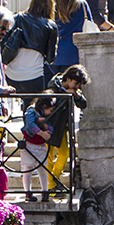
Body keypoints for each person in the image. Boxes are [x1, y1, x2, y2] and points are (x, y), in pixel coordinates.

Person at [2, 0, 58, 104]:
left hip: (12, 76)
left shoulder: (18, 18)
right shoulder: (50, 26)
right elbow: (50, 59)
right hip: (34, 77)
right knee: (33, 109)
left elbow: (3, 41)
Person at [45, 64, 89, 195]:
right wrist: (64, 95)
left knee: (64, 155)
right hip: (49, 126)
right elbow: (52, 107)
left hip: (62, 127)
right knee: (48, 158)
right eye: (76, 83)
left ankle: (54, 181)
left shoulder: (73, 90)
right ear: (68, 79)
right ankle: (51, 187)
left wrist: (76, 96)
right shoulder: (54, 86)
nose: (77, 87)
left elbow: (84, 104)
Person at [53, 0, 93, 72]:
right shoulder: (82, 5)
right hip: (75, 53)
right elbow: (90, 23)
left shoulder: (53, 5)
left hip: (55, 53)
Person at [21, 94, 54, 201]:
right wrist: (41, 132)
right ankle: (28, 192)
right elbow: (30, 124)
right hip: (29, 143)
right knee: (28, 168)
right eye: (50, 110)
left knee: (42, 169)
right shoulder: (31, 111)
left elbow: (50, 128)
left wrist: (45, 126)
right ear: (44, 107)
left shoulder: (44, 116)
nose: (51, 112)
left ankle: (45, 192)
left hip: (40, 145)